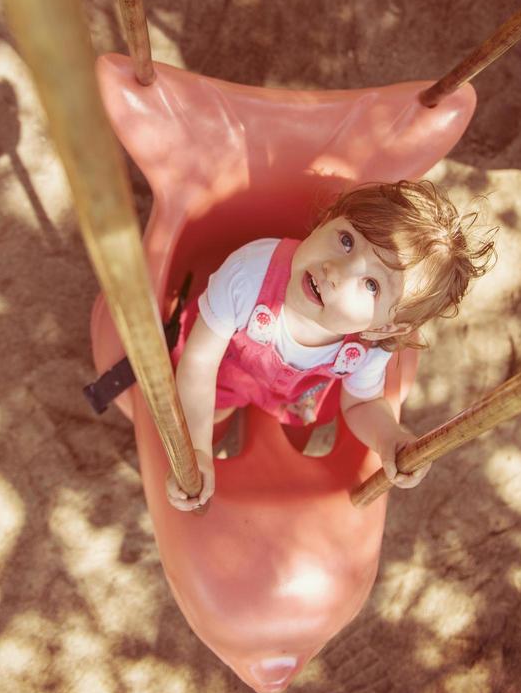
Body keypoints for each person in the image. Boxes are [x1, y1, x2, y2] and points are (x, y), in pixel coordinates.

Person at [166, 179, 495, 511]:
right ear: (327, 220)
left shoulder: (369, 347)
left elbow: (360, 404)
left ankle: (257, 427)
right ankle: (216, 433)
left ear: (385, 326)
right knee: (211, 411)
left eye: (371, 285)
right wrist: (197, 449)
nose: (335, 270)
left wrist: (389, 438)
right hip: (226, 366)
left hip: (296, 394)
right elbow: (199, 364)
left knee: (298, 429)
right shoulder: (249, 273)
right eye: (347, 240)